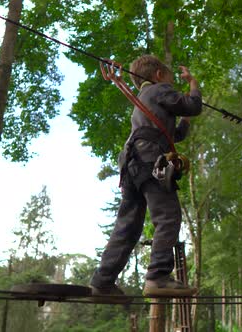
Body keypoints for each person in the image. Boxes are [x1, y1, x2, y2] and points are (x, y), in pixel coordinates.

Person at [89, 55, 202, 298]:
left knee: (128, 224)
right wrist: (193, 84)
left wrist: (184, 119)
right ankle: (158, 276)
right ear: (159, 76)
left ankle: (102, 281)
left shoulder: (146, 98)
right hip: (149, 160)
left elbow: (175, 135)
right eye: (170, 79)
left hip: (132, 164)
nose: (172, 84)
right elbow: (193, 105)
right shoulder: (160, 90)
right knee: (168, 216)